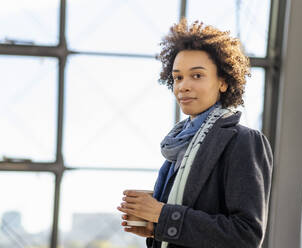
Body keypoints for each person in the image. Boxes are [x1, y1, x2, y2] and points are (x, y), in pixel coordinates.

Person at [117, 19, 273, 248]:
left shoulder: (243, 141)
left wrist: (162, 214)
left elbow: (246, 235)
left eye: (197, 75)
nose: (183, 86)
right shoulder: (180, 147)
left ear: (223, 82)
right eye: (178, 77)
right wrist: (155, 229)